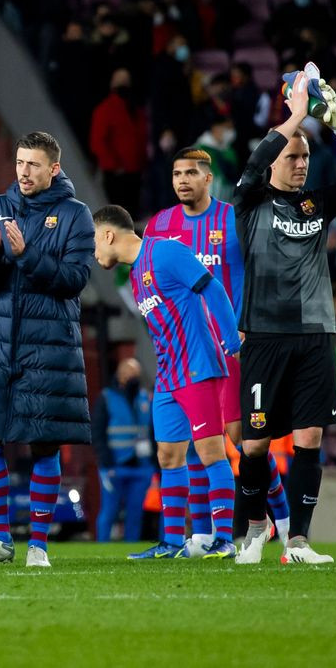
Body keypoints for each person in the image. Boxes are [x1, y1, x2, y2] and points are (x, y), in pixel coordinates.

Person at [233, 70, 336, 565]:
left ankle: (298, 541)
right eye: (292, 156)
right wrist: (296, 115)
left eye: (305, 157)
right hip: (264, 335)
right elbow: (253, 164)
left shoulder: (317, 203)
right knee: (253, 445)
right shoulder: (250, 201)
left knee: (309, 440)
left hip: (316, 334)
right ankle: (255, 527)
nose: (300, 164)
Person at [144, 147, 291, 554]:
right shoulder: (160, 225)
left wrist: (253, 325)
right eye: (176, 174)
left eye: (191, 173)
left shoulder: (232, 219)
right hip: (188, 350)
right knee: (196, 440)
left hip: (234, 347)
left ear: (209, 178)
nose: (182, 181)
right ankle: (211, 531)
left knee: (243, 438)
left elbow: (265, 270)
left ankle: (281, 517)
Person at [0, 131, 94, 568]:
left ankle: (38, 544)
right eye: (19, 162)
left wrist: (25, 253)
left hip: (48, 343)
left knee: (44, 445)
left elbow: (74, 279)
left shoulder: (75, 215)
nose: (23, 171)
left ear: (54, 168)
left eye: (33, 164)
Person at [93, 205, 241, 559]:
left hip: (198, 367)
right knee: (168, 455)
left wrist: (231, 343)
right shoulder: (135, 274)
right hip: (167, 375)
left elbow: (213, 289)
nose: (94, 251)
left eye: (94, 241)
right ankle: (173, 541)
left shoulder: (166, 251)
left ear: (109, 235)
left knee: (210, 452)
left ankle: (224, 539)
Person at [92, 359, 154, 543]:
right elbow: (98, 431)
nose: (132, 376)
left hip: (141, 465)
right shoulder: (107, 397)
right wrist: (105, 462)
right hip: (115, 464)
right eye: (128, 371)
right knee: (109, 511)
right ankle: (101, 548)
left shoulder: (144, 397)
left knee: (135, 513)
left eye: (136, 372)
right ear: (120, 374)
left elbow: (152, 431)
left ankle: (131, 548)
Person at [89, 68, 148, 216]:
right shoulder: (105, 109)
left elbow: (141, 137)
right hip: (116, 174)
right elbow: (98, 142)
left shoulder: (136, 109)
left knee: (131, 214)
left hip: (134, 171)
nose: (123, 84)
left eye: (126, 80)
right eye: (120, 80)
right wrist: (114, 165)